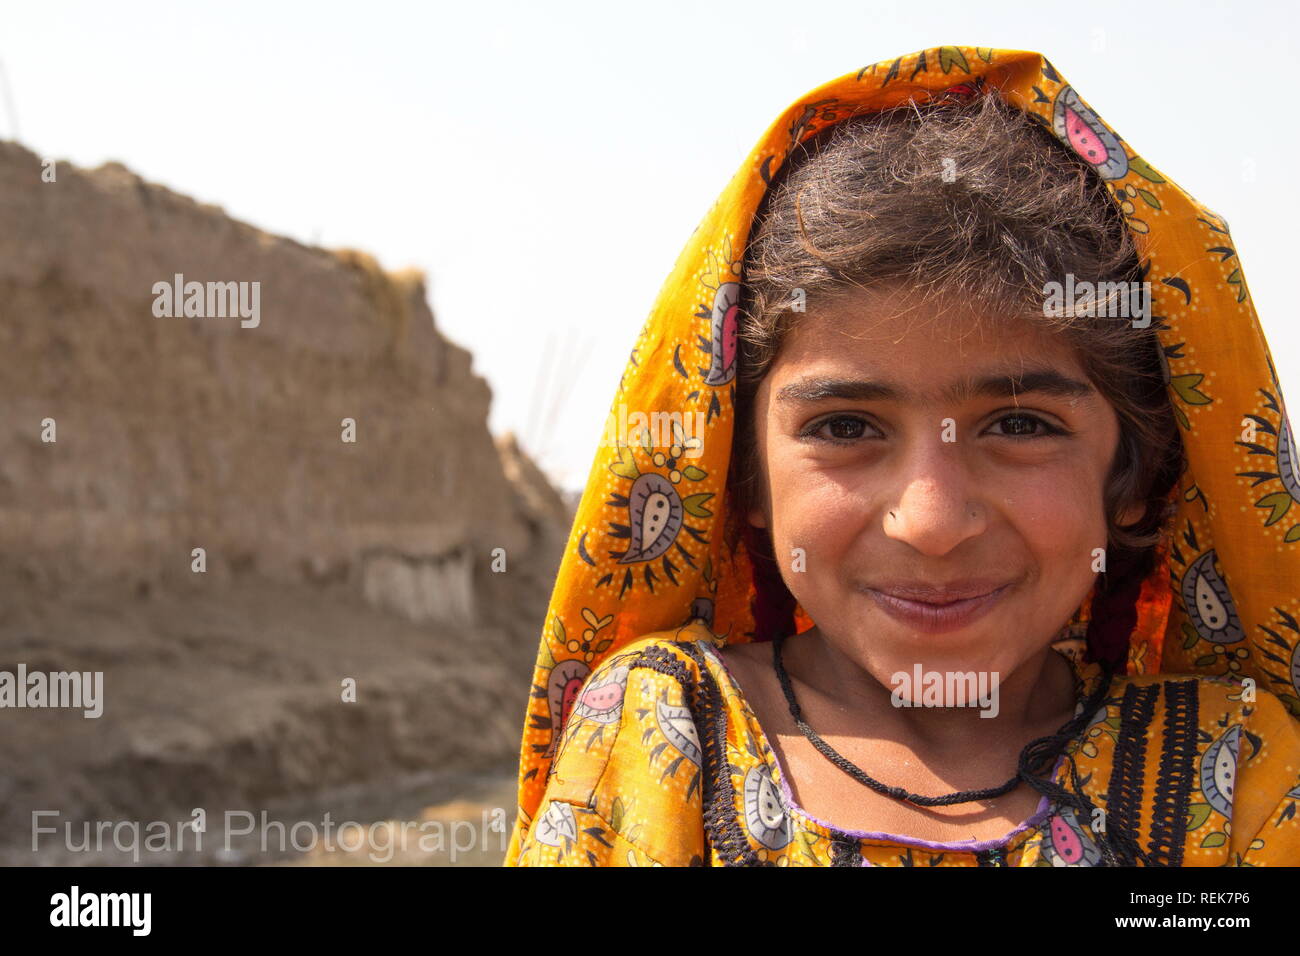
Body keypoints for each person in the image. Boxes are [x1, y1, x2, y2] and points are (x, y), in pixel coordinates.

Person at [503, 46, 1300, 866]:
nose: (930, 522)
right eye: (846, 428)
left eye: (1020, 426)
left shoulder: (1236, 774)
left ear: (1136, 475)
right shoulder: (666, 738)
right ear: (744, 477)